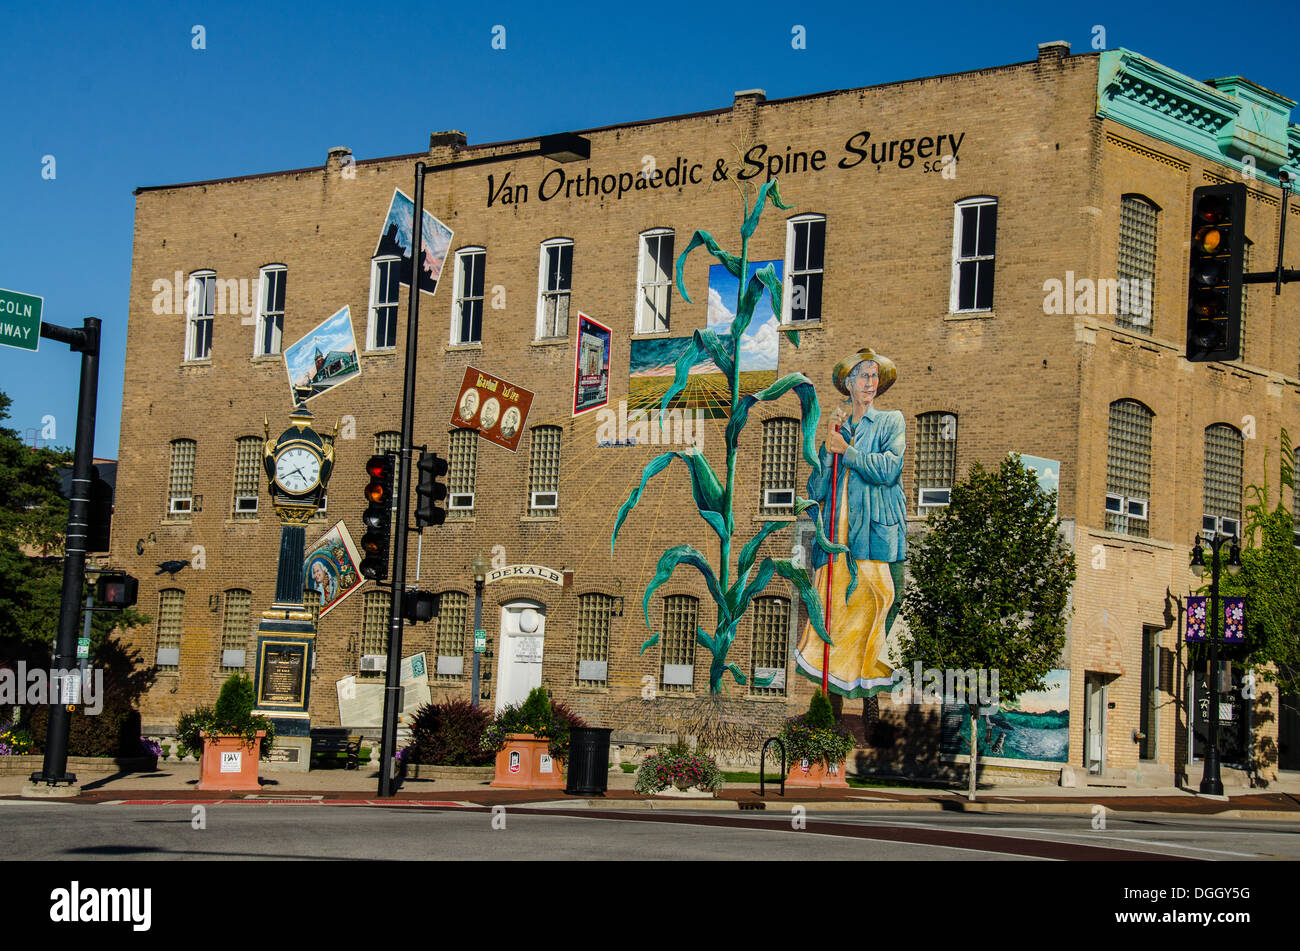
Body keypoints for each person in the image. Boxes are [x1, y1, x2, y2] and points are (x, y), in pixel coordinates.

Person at [794, 348, 907, 701]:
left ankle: (871, 681)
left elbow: (889, 469)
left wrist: (849, 451)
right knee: (835, 603)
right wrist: (829, 447)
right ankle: (838, 685)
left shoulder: (891, 422)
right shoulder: (839, 428)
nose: (870, 383)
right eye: (863, 376)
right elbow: (816, 488)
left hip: (871, 529)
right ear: (848, 384)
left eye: (874, 376)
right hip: (837, 534)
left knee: (879, 596)